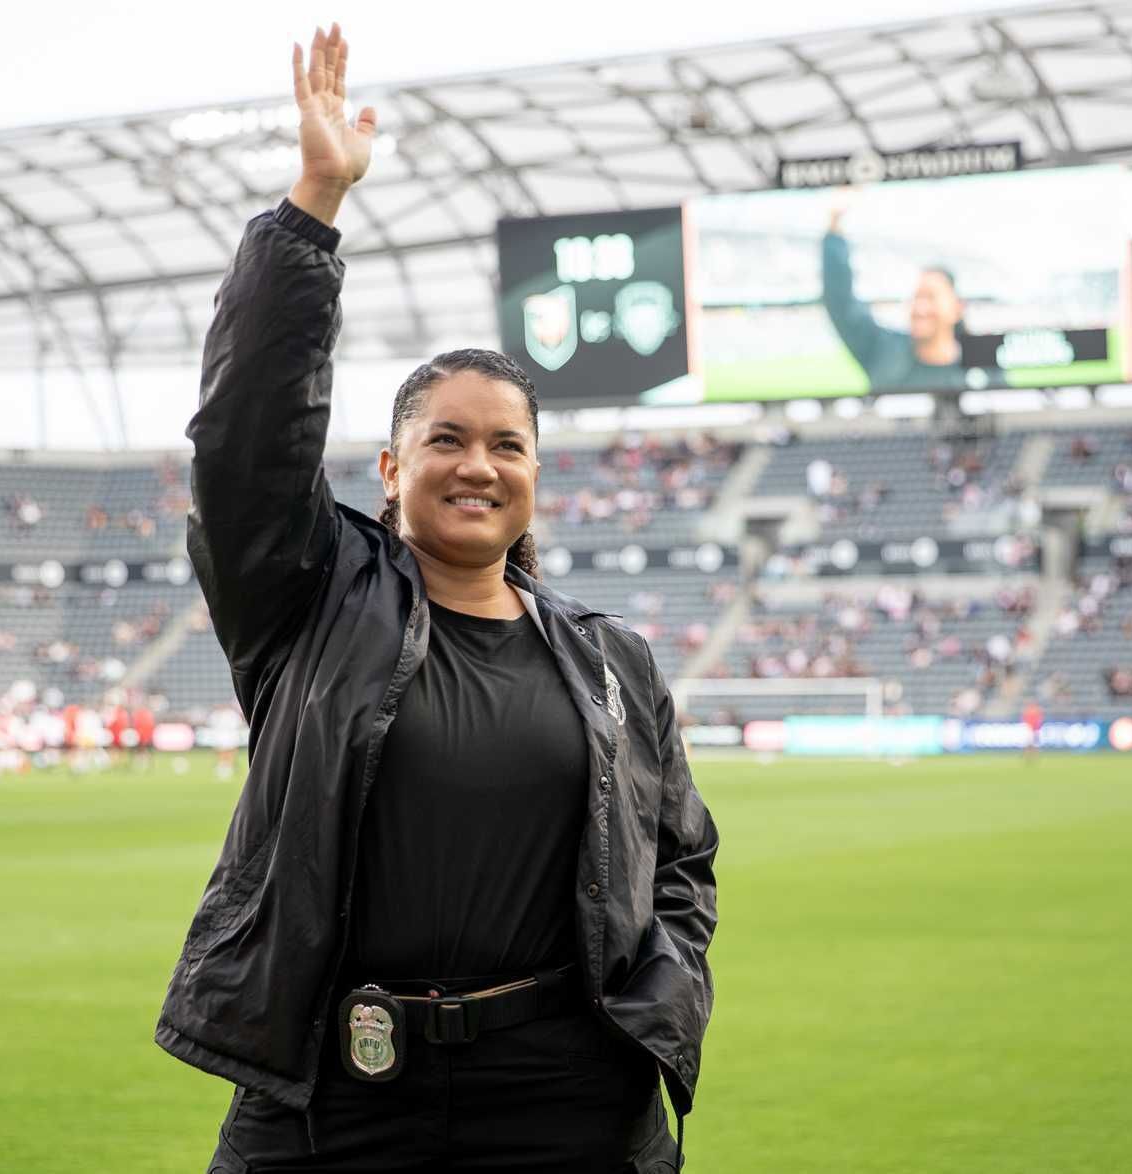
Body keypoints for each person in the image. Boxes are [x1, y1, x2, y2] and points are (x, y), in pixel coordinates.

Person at [158, 26, 718, 1173]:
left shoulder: (614, 661)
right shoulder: (311, 604)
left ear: (535, 476)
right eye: (445, 439)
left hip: (569, 1091)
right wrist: (312, 208)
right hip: (337, 1089)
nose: (478, 464)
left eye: (506, 443)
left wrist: (665, 994)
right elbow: (246, 443)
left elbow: (682, 858)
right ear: (391, 470)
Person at [821, 190, 1003, 392]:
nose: (920, 308)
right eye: (917, 297)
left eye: (931, 297)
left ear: (957, 308)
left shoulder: (982, 355)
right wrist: (835, 223)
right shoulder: (884, 349)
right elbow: (841, 303)